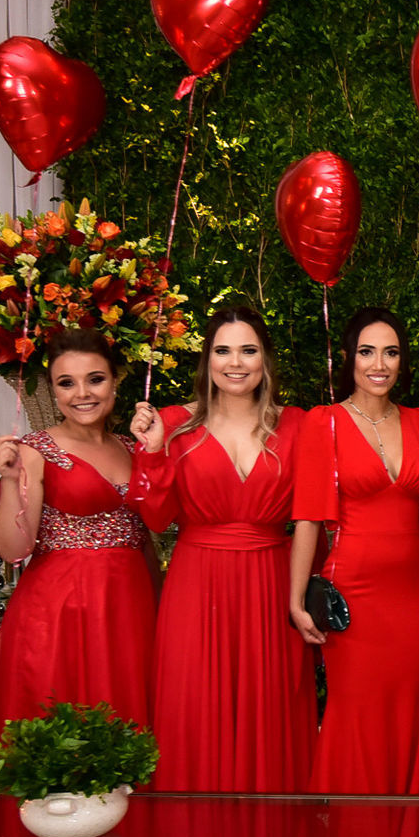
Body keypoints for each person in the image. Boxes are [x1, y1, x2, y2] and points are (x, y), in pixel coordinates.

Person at [129, 305, 315, 793]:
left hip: (271, 588)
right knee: (194, 711)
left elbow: (311, 518)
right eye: (223, 351)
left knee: (270, 713)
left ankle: (268, 836)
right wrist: (151, 451)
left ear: (265, 359)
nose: (235, 363)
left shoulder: (298, 425)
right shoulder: (172, 424)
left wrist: (300, 598)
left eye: (248, 350)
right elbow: (155, 518)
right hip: (196, 587)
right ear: (207, 359)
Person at [290, 307, 419, 803]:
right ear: (349, 359)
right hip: (353, 594)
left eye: (390, 352)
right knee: (354, 716)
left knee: (407, 714)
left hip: (413, 599)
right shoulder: (324, 422)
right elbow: (308, 517)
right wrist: (296, 601)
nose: (379, 364)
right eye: (367, 352)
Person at [0, 331, 157, 736]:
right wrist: (9, 481)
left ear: (115, 381)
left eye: (95, 379)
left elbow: (146, 538)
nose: (82, 393)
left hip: (129, 613)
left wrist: (162, 608)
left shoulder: (133, 448)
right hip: (59, 617)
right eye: (67, 383)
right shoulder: (35, 450)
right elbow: (12, 549)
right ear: (53, 390)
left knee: (129, 733)